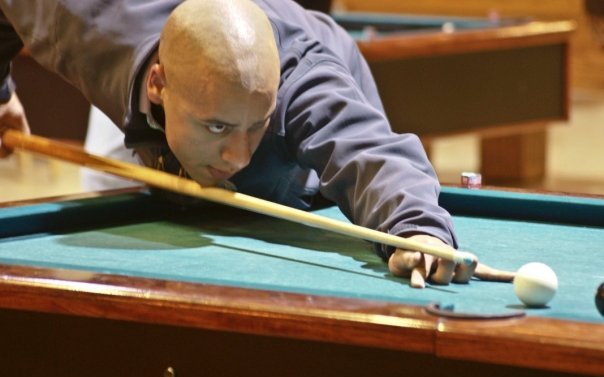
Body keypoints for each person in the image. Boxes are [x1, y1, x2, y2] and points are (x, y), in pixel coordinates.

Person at [0, 0, 512, 288]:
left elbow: (371, 153)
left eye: (255, 126)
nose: (237, 155)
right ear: (158, 84)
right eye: (219, 128)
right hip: (163, 113)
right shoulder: (87, 22)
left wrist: (417, 230)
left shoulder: (304, 90)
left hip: (292, 171)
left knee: (271, 168)